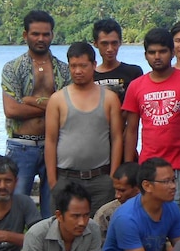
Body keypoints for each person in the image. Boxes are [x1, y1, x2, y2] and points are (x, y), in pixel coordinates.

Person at [1, 10, 70, 219]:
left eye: (46, 34)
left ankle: (50, 250)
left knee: (53, 208)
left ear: (52, 35)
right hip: (22, 146)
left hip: (54, 145)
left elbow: (67, 108)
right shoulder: (12, 68)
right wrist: (51, 104)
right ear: (25, 35)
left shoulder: (63, 70)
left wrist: (30, 100)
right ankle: (13, 249)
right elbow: (12, 110)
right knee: (15, 207)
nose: (41, 39)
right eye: (35, 34)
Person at [124, 28, 180, 234]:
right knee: (150, 221)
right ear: (145, 55)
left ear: (172, 53)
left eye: (162, 51)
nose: (157, 56)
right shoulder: (136, 86)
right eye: (152, 52)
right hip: (148, 166)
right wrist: (130, 166)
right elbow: (131, 130)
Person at [44, 42, 123, 216]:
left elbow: (117, 138)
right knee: (62, 230)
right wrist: (52, 181)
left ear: (94, 65)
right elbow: (50, 141)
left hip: (100, 179)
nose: (78, 71)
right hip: (66, 178)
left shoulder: (109, 98)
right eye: (73, 66)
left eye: (83, 66)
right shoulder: (57, 99)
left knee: (99, 230)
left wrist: (112, 177)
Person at [91, 18, 143, 103]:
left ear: (120, 42)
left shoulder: (133, 73)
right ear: (95, 44)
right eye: (104, 44)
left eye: (114, 43)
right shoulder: (89, 76)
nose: (110, 49)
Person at [93, 162, 140, 237]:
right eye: (115, 190)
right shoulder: (105, 213)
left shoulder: (157, 210)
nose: (117, 195)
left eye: (122, 190)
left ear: (138, 188)